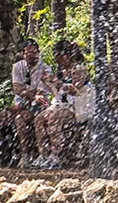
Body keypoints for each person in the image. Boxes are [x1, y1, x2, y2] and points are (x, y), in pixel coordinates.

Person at [0, 40, 54, 166]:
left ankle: (26, 156)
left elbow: (40, 94)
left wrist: (29, 95)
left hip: (38, 107)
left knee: (21, 119)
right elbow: (17, 89)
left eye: (35, 52)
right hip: (20, 105)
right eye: (29, 52)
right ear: (23, 53)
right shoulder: (18, 67)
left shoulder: (45, 69)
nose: (32, 55)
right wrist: (30, 95)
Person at [33, 40, 91, 168]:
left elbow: (73, 90)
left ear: (65, 55)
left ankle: (56, 155)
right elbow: (57, 93)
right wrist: (48, 83)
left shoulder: (79, 69)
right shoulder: (60, 71)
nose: (55, 59)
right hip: (62, 105)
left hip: (78, 106)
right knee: (39, 119)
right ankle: (44, 155)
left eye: (56, 55)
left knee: (54, 118)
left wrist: (56, 82)